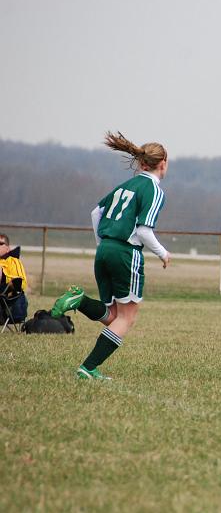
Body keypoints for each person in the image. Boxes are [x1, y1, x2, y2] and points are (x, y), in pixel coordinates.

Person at [50, 131, 171, 379]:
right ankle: (88, 367)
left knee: (114, 316)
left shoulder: (126, 185)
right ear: (163, 163)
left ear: (140, 162)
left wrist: (102, 243)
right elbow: (144, 231)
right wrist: (163, 253)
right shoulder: (154, 190)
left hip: (105, 250)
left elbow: (96, 213)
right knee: (127, 318)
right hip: (126, 253)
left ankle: (80, 301)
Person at [0, 233, 29, 323]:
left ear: (8, 248)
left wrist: (4, 278)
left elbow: (21, 283)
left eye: (0, 244)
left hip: (9, 300)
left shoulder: (14, 262)